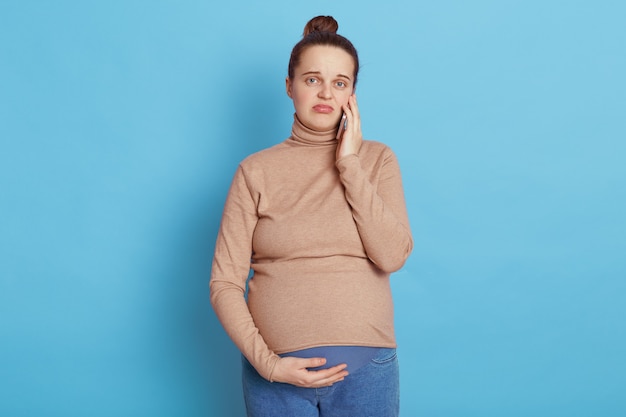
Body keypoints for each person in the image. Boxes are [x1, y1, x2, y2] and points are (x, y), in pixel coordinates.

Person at [210, 15, 413, 417]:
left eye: (340, 82)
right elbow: (224, 282)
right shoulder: (255, 170)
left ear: (352, 94)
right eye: (311, 79)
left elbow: (392, 256)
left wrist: (349, 163)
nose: (325, 93)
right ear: (289, 86)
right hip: (274, 375)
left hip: (367, 372)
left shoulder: (377, 160)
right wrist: (268, 364)